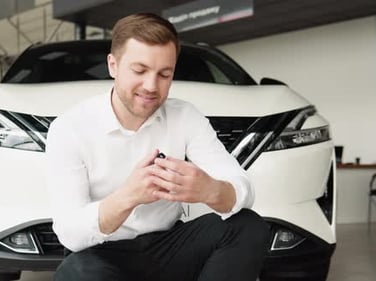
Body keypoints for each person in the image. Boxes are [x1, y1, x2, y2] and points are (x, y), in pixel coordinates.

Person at [46, 12, 270, 281]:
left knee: (248, 227)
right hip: (101, 255)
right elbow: (70, 233)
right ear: (113, 66)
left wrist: (210, 189)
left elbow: (242, 187)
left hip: (169, 246)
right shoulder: (69, 128)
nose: (151, 86)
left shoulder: (185, 116)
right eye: (139, 71)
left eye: (165, 74)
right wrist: (128, 196)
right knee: (79, 274)